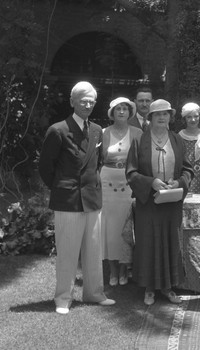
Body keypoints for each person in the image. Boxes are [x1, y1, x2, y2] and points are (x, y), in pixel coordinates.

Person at [39, 81, 115, 314]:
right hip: (68, 200)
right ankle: (63, 298)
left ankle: (94, 293)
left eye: (92, 100)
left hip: (92, 199)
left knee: (94, 251)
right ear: (72, 101)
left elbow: (98, 162)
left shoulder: (96, 130)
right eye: (83, 100)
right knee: (68, 252)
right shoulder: (58, 130)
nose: (88, 104)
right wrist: (63, 188)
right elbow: (45, 168)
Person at [126, 99, 194, 306]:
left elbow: (188, 170)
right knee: (148, 243)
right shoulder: (139, 141)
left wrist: (178, 183)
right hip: (149, 203)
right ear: (150, 118)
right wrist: (151, 182)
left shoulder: (177, 140)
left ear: (170, 117)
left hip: (171, 203)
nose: (162, 117)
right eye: (158, 114)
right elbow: (130, 172)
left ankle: (168, 287)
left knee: (170, 242)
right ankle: (149, 288)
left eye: (165, 114)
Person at [100, 97, 143, 286]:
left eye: (125, 108)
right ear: (112, 112)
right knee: (108, 228)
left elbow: (142, 159)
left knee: (125, 227)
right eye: (118, 108)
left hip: (128, 183)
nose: (122, 112)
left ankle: (125, 269)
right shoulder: (103, 133)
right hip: (107, 183)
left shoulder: (138, 133)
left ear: (130, 113)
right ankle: (113, 271)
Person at [178, 102, 200, 194]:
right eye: (189, 117)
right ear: (184, 119)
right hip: (186, 179)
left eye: (196, 116)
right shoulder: (179, 138)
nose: (193, 120)